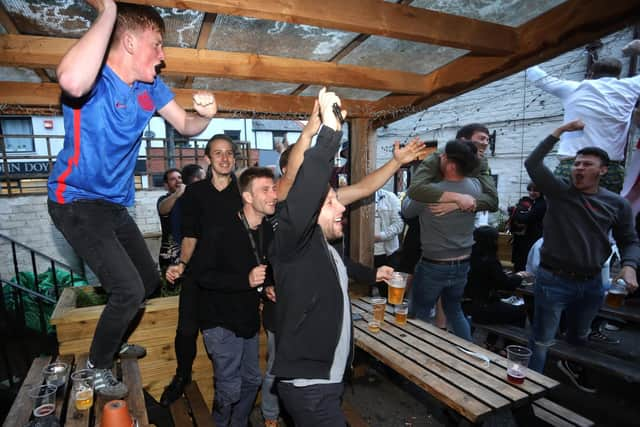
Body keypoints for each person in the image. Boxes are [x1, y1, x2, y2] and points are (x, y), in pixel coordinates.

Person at [47, 0, 217, 399]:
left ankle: (110, 340)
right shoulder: (93, 81)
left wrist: (206, 115)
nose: (162, 56)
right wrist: (107, 9)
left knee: (145, 280)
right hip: (73, 201)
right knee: (127, 290)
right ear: (127, 41)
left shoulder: (150, 88)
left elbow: (187, 126)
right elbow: (70, 80)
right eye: (156, 44)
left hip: (111, 206)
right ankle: (94, 368)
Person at [269, 89, 393, 425]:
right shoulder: (292, 239)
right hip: (311, 388)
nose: (341, 207)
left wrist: (372, 274)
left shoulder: (324, 246)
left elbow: (343, 269)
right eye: (329, 203)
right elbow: (301, 186)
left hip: (327, 381)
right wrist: (329, 131)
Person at [524, 120, 640, 389]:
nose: (579, 168)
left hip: (592, 284)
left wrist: (630, 265)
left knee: (580, 336)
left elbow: (629, 240)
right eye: (577, 163)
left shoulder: (617, 204)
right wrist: (558, 133)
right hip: (553, 280)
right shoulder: (559, 191)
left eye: (587, 164)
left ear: (602, 170)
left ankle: (570, 367)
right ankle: (529, 389)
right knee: (541, 339)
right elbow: (533, 163)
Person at [161, 135, 240, 406]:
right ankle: (182, 375)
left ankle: (227, 389)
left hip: (231, 277)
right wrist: (181, 264)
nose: (225, 158)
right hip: (198, 274)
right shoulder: (194, 193)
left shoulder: (244, 192)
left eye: (229, 152)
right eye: (218, 153)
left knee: (229, 333)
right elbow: (190, 235)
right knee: (186, 329)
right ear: (207, 158)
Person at [196, 167, 277, 426]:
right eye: (266, 189)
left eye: (273, 188)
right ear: (248, 197)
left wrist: (267, 287)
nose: (273, 194)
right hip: (219, 322)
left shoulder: (268, 230)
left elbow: (265, 268)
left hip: (247, 320)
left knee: (253, 380)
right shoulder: (220, 229)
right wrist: (245, 280)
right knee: (229, 389)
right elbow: (201, 275)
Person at [402, 139, 488, 341]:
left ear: (450, 164)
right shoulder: (475, 187)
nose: (439, 157)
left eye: (443, 155)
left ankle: (417, 357)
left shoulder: (431, 191)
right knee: (454, 310)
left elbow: (406, 210)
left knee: (419, 315)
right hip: (463, 262)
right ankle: (468, 354)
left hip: (434, 264)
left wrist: (417, 187)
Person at [525, 45, 640, 194]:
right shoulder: (630, 87)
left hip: (574, 164)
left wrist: (526, 60)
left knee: (564, 213)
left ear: (591, 75)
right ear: (618, 75)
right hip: (608, 168)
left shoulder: (575, 88)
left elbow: (541, 79)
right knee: (606, 214)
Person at [407, 123, 498, 221]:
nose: (485, 143)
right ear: (463, 141)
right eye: (481, 138)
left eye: (487, 140)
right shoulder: (439, 157)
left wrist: (459, 204)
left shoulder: (482, 162)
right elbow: (415, 190)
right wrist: (458, 198)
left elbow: (493, 201)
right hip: (425, 217)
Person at [464, 226, 528, 329]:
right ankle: (508, 342)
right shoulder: (490, 260)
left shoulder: (469, 255)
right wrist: (519, 276)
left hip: (466, 304)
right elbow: (506, 284)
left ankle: (491, 341)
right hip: (482, 308)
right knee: (523, 311)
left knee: (507, 306)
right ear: (492, 241)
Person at [373, 188, 404, 296]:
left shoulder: (390, 197)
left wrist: (380, 236)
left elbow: (399, 225)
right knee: (362, 293)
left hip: (388, 254)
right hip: (361, 254)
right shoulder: (356, 197)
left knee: (388, 294)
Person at [509, 182, 546, 272]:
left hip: (532, 239)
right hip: (524, 238)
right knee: (519, 261)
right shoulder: (533, 202)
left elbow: (525, 218)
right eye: (530, 190)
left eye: (535, 190)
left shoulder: (541, 204)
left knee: (524, 262)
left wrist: (515, 211)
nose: (531, 193)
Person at [157, 168, 184, 272]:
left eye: (180, 177)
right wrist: (177, 194)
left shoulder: (189, 198)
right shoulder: (163, 200)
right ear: (166, 185)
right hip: (170, 255)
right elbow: (162, 209)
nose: (178, 181)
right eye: (173, 179)